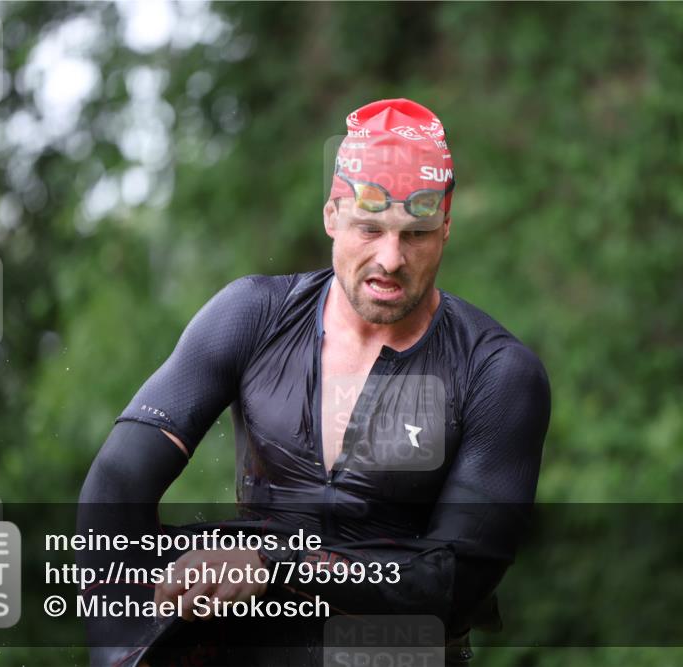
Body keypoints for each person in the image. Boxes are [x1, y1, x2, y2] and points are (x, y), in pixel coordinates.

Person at [77, 98, 551, 667]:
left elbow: (454, 584)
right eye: (369, 227)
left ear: (445, 227)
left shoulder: (496, 372)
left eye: (416, 234)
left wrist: (269, 565)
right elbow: (116, 484)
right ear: (332, 215)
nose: (391, 258)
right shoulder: (252, 315)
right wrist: (123, 652)